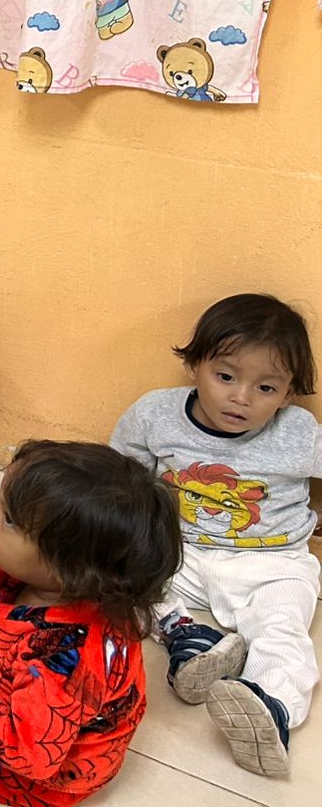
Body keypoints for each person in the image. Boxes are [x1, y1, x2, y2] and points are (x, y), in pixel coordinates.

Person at [110, 293, 320, 777]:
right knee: (119, 583)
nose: (241, 397)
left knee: (281, 625)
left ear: (288, 394)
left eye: (265, 387)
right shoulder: (155, 414)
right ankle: (188, 637)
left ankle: (271, 704)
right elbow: (123, 477)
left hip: (273, 561)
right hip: (178, 550)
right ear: (195, 366)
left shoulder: (298, 432)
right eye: (225, 377)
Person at [0, 441, 181, 806]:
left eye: (9, 519)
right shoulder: (49, 580)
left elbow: (30, 755)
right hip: (12, 681)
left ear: (68, 568)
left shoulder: (67, 658)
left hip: (37, 774)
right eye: (0, 504)